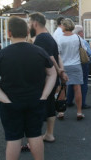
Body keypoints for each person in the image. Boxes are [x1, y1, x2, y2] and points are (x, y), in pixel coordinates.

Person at [0, 16, 57, 160]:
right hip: (35, 101)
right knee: (35, 135)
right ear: (27, 32)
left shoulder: (1, 55)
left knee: (13, 138)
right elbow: (52, 74)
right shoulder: (39, 52)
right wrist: (44, 95)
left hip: (11, 104)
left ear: (9, 33)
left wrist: (4, 99)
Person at [29, 12, 69, 143]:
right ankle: (49, 134)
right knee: (50, 105)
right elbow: (57, 56)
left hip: (44, 79)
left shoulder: (41, 39)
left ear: (35, 23)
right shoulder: (50, 37)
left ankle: (35, 138)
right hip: (51, 79)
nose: (29, 25)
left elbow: (50, 58)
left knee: (39, 106)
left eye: (29, 23)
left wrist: (59, 72)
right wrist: (61, 72)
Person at [56, 18, 86, 120]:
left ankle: (61, 112)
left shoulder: (59, 39)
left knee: (62, 88)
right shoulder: (77, 38)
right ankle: (79, 112)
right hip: (76, 65)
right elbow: (84, 49)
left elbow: (57, 53)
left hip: (63, 66)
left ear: (64, 26)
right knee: (77, 88)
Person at [66, 25, 91, 109]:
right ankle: (82, 103)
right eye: (83, 32)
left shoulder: (67, 40)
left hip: (69, 64)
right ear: (80, 32)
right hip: (81, 63)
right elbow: (89, 52)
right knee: (83, 83)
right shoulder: (81, 40)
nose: (83, 33)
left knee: (71, 82)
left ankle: (69, 101)